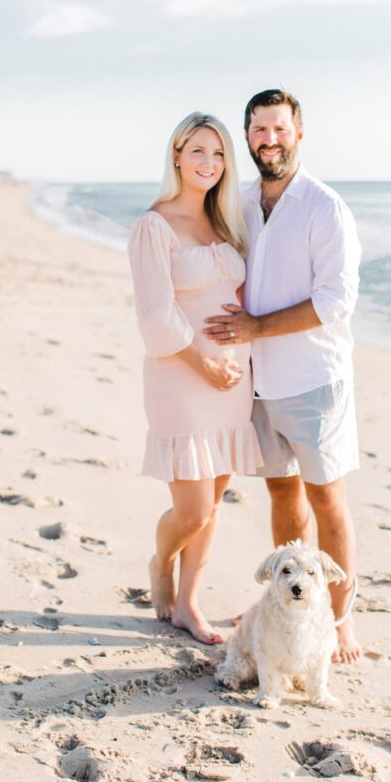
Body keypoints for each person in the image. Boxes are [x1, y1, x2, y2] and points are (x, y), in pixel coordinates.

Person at [204, 89, 362, 662]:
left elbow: (334, 302)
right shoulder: (242, 202)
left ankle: (341, 621)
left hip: (314, 378)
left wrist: (254, 327)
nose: (269, 140)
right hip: (258, 379)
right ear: (247, 137)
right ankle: (287, 607)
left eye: (279, 129)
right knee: (280, 488)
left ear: (298, 134)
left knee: (327, 498)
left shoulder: (324, 207)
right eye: (259, 130)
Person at [128, 113, 263, 646]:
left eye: (220, 154)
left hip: (233, 383)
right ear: (178, 155)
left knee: (215, 504)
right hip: (182, 380)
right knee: (194, 508)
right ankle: (161, 561)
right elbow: (155, 314)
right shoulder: (153, 224)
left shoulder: (227, 226)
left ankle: (188, 605)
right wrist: (204, 362)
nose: (209, 163)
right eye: (199, 151)